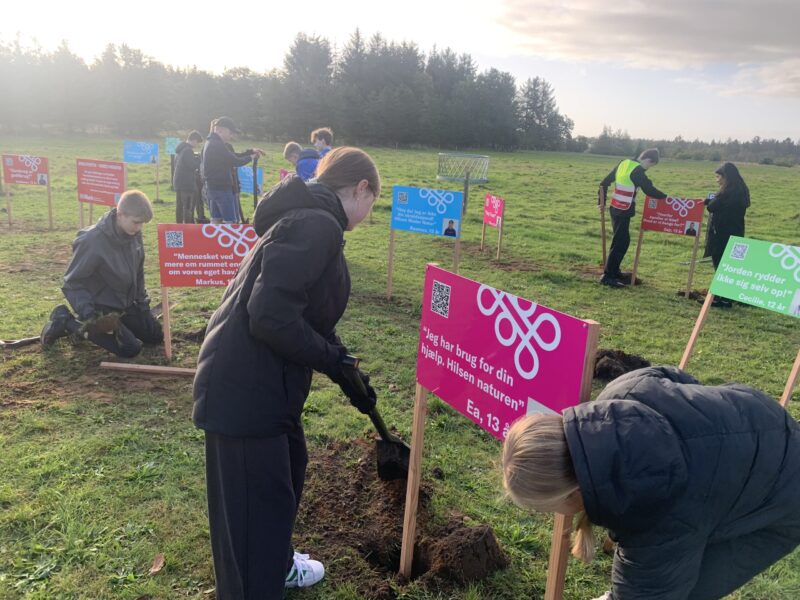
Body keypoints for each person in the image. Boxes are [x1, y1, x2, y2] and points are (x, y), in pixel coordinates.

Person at [192, 147, 381, 599]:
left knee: (284, 480)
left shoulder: (309, 219)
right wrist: (331, 360)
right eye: (373, 202)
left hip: (265, 386)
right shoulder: (317, 225)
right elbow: (270, 315)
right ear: (360, 189)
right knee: (254, 513)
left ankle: (275, 565)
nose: (370, 214)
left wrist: (346, 370)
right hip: (245, 391)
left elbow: (306, 314)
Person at [503, 366, 800, 600]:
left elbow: (649, 590)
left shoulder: (652, 517)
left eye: (545, 509)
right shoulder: (619, 392)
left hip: (785, 495)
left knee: (693, 591)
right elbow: (676, 377)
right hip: (758, 414)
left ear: (574, 494)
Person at [40, 190, 163, 358]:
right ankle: (65, 321)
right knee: (130, 348)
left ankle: (107, 327)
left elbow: (138, 273)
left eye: (143, 223)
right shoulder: (92, 241)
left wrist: (143, 307)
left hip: (125, 304)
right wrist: (90, 315)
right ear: (120, 214)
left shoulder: (134, 234)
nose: (139, 227)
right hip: (100, 307)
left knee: (155, 336)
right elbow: (72, 282)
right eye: (136, 222)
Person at [599, 149, 667, 288]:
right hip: (624, 210)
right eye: (650, 166)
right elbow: (649, 190)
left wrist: (601, 201)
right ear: (648, 160)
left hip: (614, 207)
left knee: (620, 240)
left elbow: (604, 182)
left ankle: (614, 271)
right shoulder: (638, 171)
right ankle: (608, 276)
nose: (648, 169)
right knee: (621, 242)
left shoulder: (623, 163)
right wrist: (667, 198)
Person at [704, 162, 750, 308]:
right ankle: (725, 298)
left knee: (720, 265)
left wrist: (709, 202)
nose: (717, 180)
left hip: (723, 233)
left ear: (726, 177)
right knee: (728, 266)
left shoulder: (727, 191)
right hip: (736, 231)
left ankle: (720, 299)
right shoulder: (741, 189)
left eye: (719, 177)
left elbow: (712, 207)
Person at [201, 117, 263, 224]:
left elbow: (232, 156)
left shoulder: (211, 142)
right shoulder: (217, 144)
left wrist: (250, 151)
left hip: (212, 188)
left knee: (216, 220)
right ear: (222, 130)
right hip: (222, 188)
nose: (231, 136)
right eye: (230, 133)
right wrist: (251, 157)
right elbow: (235, 161)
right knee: (231, 222)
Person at [173, 130, 204, 223]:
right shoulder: (188, 150)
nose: (197, 145)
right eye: (197, 142)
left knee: (179, 207)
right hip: (187, 184)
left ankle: (179, 226)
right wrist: (199, 159)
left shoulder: (180, 150)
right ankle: (188, 226)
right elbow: (192, 166)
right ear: (194, 140)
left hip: (179, 182)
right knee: (188, 207)